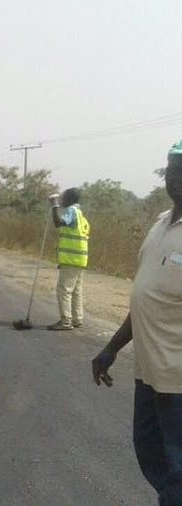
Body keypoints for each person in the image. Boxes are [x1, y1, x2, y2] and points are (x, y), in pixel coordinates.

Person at [91, 141, 182, 504]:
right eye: (173, 169)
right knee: (149, 450)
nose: (178, 178)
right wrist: (111, 348)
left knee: (178, 462)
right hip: (148, 371)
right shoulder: (160, 224)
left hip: (178, 377)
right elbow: (146, 299)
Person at [47, 188, 90, 331]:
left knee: (64, 290)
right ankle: (77, 319)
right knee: (76, 291)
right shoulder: (81, 215)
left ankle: (66, 321)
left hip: (71, 259)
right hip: (80, 259)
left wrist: (54, 206)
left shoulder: (71, 212)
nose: (62, 200)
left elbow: (59, 223)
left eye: (63, 198)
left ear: (70, 199)